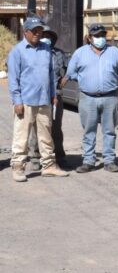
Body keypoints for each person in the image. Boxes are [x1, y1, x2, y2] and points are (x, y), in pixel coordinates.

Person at [7, 17, 69, 182]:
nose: (37, 33)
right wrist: (17, 101)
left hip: (44, 101)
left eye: (39, 30)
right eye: (34, 30)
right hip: (25, 102)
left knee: (45, 136)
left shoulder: (46, 50)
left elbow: (50, 75)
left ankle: (49, 166)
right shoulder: (17, 51)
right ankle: (18, 167)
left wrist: (53, 95)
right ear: (25, 32)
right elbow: (13, 79)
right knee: (21, 137)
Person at [63, 23, 118, 173]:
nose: (100, 38)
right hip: (87, 98)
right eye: (97, 36)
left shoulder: (115, 52)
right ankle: (88, 161)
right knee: (89, 131)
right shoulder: (79, 53)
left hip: (110, 97)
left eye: (103, 35)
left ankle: (109, 161)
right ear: (89, 38)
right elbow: (71, 73)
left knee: (109, 131)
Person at [28, 26, 68, 169]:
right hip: (37, 96)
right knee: (36, 127)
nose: (46, 38)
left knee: (56, 128)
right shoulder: (31, 52)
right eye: (43, 35)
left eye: (49, 36)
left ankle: (59, 156)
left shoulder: (59, 54)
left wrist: (66, 77)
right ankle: (35, 157)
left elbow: (68, 69)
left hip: (55, 96)